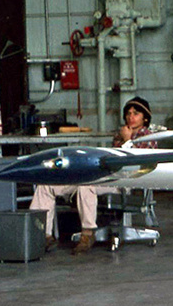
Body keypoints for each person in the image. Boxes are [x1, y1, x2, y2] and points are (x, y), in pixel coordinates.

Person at [29, 96, 161, 255]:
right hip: (105, 177)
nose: (130, 117)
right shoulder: (120, 134)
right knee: (47, 185)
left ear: (145, 117)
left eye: (136, 114)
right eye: (128, 113)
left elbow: (135, 163)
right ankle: (43, 235)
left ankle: (88, 233)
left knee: (87, 185)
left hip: (124, 182)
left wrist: (128, 139)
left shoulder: (149, 136)